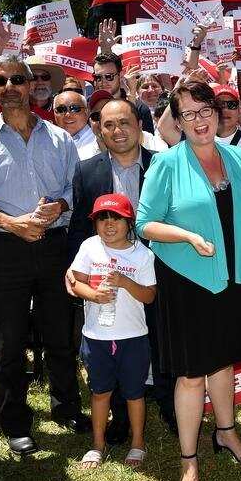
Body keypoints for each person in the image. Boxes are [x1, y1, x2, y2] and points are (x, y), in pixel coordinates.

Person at [136, 81, 241, 481]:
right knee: (192, 374)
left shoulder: (239, 158)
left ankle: (226, 433)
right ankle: (188, 462)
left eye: (204, 109)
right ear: (176, 120)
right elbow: (144, 223)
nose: (199, 119)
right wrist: (187, 237)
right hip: (189, 280)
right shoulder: (166, 164)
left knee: (223, 360)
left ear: (217, 112)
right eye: (187, 113)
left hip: (234, 278)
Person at [0, 54, 89, 456]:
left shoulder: (60, 138)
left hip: (54, 247)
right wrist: (11, 223)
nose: (9, 88)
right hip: (6, 250)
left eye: (16, 79)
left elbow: (77, 191)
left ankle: (66, 408)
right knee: (9, 343)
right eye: (0, 81)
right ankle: (15, 422)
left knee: (59, 334)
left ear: (31, 84)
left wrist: (59, 206)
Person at [66, 98, 176, 441]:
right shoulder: (87, 171)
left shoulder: (164, 165)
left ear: (139, 127)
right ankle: (120, 414)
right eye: (109, 125)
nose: (117, 131)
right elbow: (79, 229)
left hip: (161, 270)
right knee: (116, 340)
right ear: (100, 129)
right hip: (110, 275)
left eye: (124, 123)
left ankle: (169, 406)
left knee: (163, 339)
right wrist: (73, 270)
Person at [71, 193, 156, 469]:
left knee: (134, 393)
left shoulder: (143, 255)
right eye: (102, 219)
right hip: (96, 337)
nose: (109, 225)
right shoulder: (88, 247)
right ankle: (97, 444)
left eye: (116, 219)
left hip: (132, 337)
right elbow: (76, 282)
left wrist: (125, 282)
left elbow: (149, 296)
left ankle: (138, 442)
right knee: (99, 392)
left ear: (129, 222)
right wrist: (93, 296)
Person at [92, 53, 154, 134]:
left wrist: (132, 93)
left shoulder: (140, 108)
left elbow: (147, 143)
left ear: (121, 75)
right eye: (98, 77)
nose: (103, 82)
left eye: (109, 76)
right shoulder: (90, 106)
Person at [53, 90, 99, 160]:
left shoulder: (99, 141)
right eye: (61, 109)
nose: (68, 114)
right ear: (54, 114)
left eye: (75, 108)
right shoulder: (50, 141)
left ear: (87, 112)